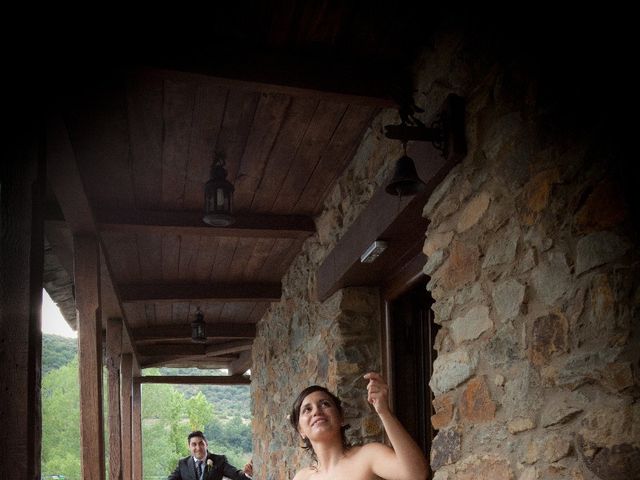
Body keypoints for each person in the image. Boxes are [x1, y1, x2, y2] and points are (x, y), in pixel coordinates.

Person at [290, 372, 429, 480]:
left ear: (341, 418)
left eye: (325, 404)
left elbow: (416, 474)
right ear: (300, 430)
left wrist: (384, 411)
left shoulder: (368, 456)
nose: (316, 411)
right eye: (307, 409)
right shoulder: (302, 477)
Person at [168, 430, 253, 480]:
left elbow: (236, 474)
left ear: (206, 444)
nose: (198, 448)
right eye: (194, 444)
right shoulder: (183, 464)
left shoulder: (219, 460)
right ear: (189, 447)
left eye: (201, 443)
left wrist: (247, 474)